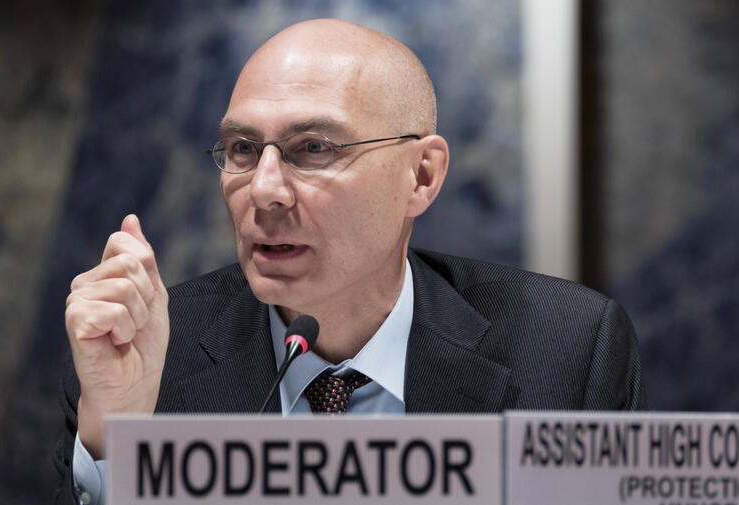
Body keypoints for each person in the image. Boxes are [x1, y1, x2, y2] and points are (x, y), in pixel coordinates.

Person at [53, 18, 646, 504]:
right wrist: (120, 440)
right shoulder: (142, 354)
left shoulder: (567, 349)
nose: (264, 190)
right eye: (242, 149)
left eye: (313, 149)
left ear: (422, 175)